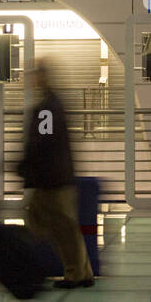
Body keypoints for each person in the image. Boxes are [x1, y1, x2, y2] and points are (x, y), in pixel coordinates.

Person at [19, 59, 94, 289]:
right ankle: (82, 272)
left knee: (57, 226)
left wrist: (25, 165)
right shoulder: (53, 104)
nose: (30, 79)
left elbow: (42, 142)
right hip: (53, 176)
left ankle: (73, 274)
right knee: (53, 224)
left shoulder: (47, 108)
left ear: (42, 77)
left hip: (50, 179)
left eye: (34, 74)